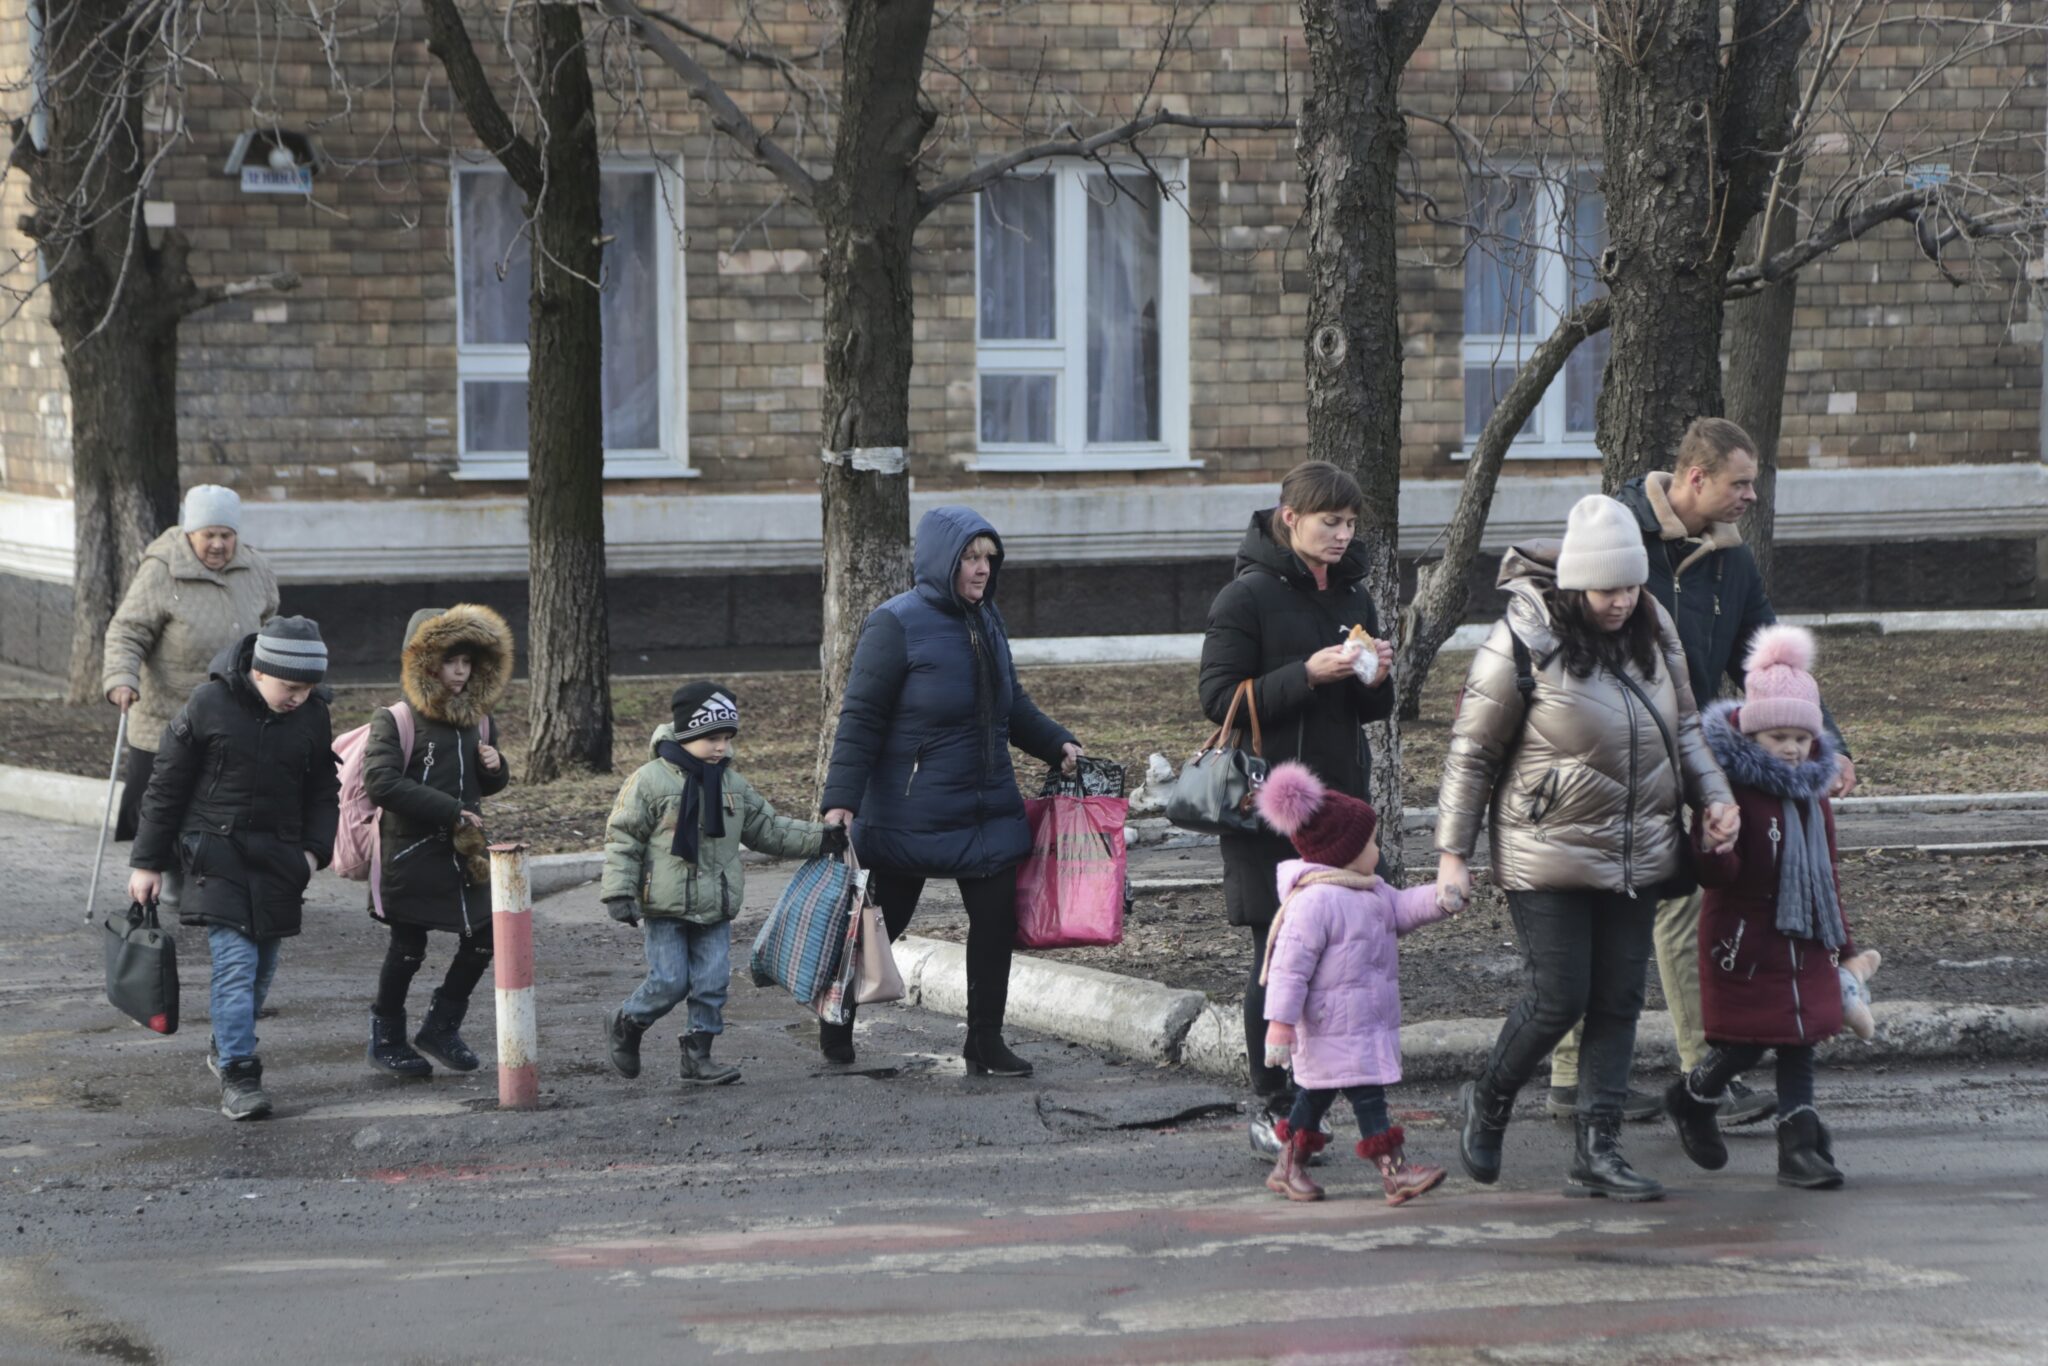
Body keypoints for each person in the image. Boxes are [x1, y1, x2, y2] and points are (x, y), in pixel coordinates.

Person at [1549, 418, 1857, 1126]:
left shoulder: (1731, 561)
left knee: (1688, 910)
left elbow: (1768, 658)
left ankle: (1703, 1066)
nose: (1751, 495)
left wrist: (1828, 743)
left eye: (1753, 483)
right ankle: (1571, 1074)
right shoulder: (1619, 534)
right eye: (1739, 483)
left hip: (1690, 758)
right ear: (1696, 479)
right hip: (1609, 763)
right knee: (1600, 909)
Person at [1437, 496, 1738, 1201]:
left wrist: (1714, 797)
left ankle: (1597, 1152)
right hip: (1548, 849)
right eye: (1608, 590)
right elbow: (1472, 752)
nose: (1622, 601)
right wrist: (1453, 851)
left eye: (1632, 587)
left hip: (1641, 847)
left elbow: (1686, 728)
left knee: (1618, 1002)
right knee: (1558, 997)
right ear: (1576, 584)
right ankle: (1489, 1096)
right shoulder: (1521, 639)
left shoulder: (1653, 629)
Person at [820, 508, 1083, 1077]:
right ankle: (837, 1012)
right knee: (880, 928)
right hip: (910, 812)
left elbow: (1011, 705)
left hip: (986, 808)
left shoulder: (989, 620)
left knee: (995, 924)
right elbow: (860, 717)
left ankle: (984, 1042)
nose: (983, 568)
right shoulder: (894, 624)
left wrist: (1058, 743)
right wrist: (841, 801)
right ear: (943, 560)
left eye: (989, 557)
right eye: (970, 556)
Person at [1198, 460, 1396, 1159]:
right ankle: (1271, 1103)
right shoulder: (1244, 598)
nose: (1342, 536)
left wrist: (1375, 673)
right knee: (1276, 954)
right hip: (1267, 805)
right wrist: (1306, 675)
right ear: (1290, 519)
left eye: (1348, 524)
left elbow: (1375, 709)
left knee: (1336, 958)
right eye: (1328, 522)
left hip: (1336, 810)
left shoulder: (1356, 597)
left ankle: (1314, 1100)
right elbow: (1218, 698)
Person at [1665, 626, 1860, 1190]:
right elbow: (1718, 876)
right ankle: (1693, 1097)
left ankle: (1798, 1147)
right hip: (1746, 938)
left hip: (1808, 938)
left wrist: (1843, 947)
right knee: (1745, 1044)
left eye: (1803, 736)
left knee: (1803, 1038)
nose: (1794, 748)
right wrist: (1712, 842)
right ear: (1753, 734)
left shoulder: (1813, 794)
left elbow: (1828, 875)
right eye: (1779, 735)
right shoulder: (1733, 790)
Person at [126, 617, 340, 1121]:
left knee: (262, 970)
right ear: (262, 672)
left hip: (282, 860)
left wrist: (313, 854)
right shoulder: (208, 704)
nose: (299, 697)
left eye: (309, 688)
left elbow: (323, 793)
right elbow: (165, 787)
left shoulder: (313, 716)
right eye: (291, 687)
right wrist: (147, 862)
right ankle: (240, 1073)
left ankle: (224, 1046)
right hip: (214, 856)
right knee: (237, 966)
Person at [603, 683, 846, 1086]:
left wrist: (822, 837)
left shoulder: (732, 784)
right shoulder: (648, 781)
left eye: (727, 738)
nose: (721, 748)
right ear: (685, 733)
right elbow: (623, 838)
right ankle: (627, 1022)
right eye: (711, 738)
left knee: (712, 983)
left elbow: (768, 829)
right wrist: (619, 891)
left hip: (715, 904)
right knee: (669, 981)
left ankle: (698, 1056)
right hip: (665, 905)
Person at [1254, 763, 1455, 1206]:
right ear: (1340, 850)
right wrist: (1280, 1025)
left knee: (1315, 1098)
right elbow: (1289, 969)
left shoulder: (1369, 891)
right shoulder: (1315, 902)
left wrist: (1442, 898)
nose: (1376, 850)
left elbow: (1404, 908)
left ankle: (1289, 1166)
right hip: (1329, 1025)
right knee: (1367, 1096)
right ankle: (1394, 1173)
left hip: (1361, 1023)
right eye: (1369, 843)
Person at [361, 605, 515, 1077]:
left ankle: (441, 1026)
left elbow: (480, 786)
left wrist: (496, 768)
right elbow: (381, 783)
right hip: (409, 853)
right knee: (408, 947)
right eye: (451, 662)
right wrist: (449, 809)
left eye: (468, 663)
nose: (461, 672)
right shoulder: (396, 719)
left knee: (487, 936)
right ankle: (386, 1037)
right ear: (424, 663)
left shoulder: (479, 721)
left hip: (464, 855)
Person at [102, 485, 279, 842]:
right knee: (163, 806)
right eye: (208, 535)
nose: (218, 544)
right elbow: (128, 631)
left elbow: (270, 626)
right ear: (189, 533)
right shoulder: (161, 569)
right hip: (166, 714)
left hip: (233, 713)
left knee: (222, 803)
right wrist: (122, 678)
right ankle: (161, 876)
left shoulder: (256, 568)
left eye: (226, 535)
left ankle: (211, 878)